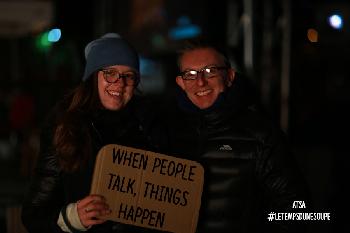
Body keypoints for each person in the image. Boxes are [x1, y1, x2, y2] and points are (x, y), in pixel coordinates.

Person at [162, 39, 309, 233]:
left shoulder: (261, 134)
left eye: (210, 71)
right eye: (190, 74)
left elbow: (299, 209)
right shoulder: (165, 130)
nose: (200, 81)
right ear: (180, 83)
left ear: (230, 76)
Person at [21, 33, 164, 233]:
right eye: (110, 73)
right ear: (93, 76)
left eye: (129, 76)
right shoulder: (65, 127)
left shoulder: (149, 126)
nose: (120, 83)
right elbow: (34, 214)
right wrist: (72, 217)